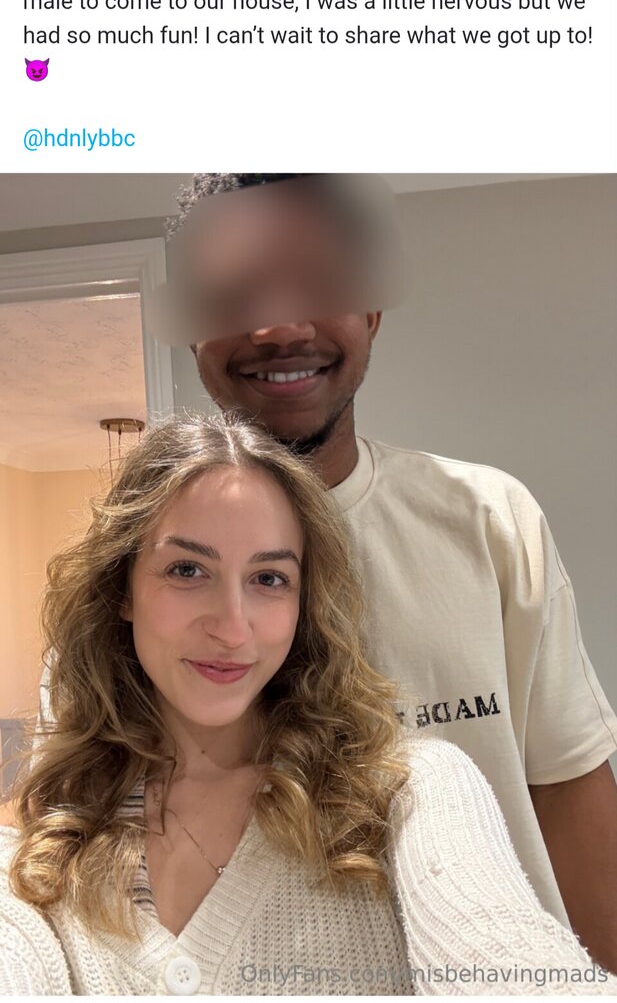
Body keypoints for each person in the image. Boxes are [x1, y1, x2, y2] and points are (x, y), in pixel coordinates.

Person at [163, 173, 617, 971]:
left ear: (371, 307)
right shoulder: (134, 572)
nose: (279, 325)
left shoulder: (489, 520)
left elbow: (566, 789)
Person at [1, 413, 615, 995]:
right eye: (187, 570)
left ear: (303, 604)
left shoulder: (411, 793)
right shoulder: (51, 844)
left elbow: (502, 951)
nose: (232, 628)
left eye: (269, 579)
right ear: (123, 588)